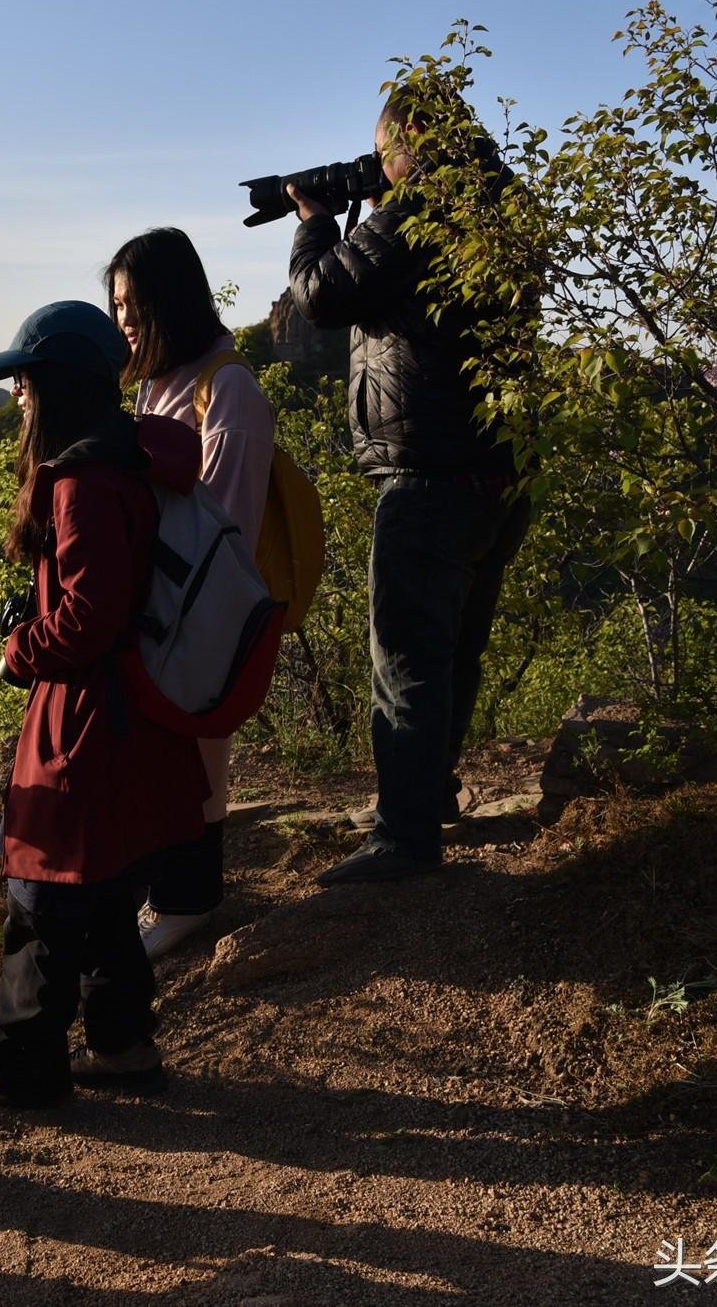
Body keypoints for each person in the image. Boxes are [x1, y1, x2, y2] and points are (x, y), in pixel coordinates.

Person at [0, 301, 210, 1107]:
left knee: (45, 898)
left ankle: (21, 1069)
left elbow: (91, 615)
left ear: (56, 384)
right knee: (103, 897)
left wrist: (17, 650)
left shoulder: (85, 481)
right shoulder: (126, 460)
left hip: (87, 723)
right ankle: (122, 1045)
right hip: (134, 721)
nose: (16, 395)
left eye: (23, 380)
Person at [284, 84, 533, 885]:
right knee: (455, 646)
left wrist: (316, 223)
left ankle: (403, 835)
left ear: (409, 139)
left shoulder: (426, 203)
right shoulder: (503, 203)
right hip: (501, 465)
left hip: (428, 471)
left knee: (406, 656)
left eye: (386, 145)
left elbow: (323, 294)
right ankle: (429, 795)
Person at [107, 227, 277, 958]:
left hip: (201, 607)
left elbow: (227, 523)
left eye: (133, 306)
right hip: (158, 602)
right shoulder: (158, 380)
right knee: (166, 754)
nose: (123, 322)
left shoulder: (228, 388)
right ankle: (170, 891)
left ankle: (191, 900)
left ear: (170, 301)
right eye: (115, 307)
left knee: (200, 749)